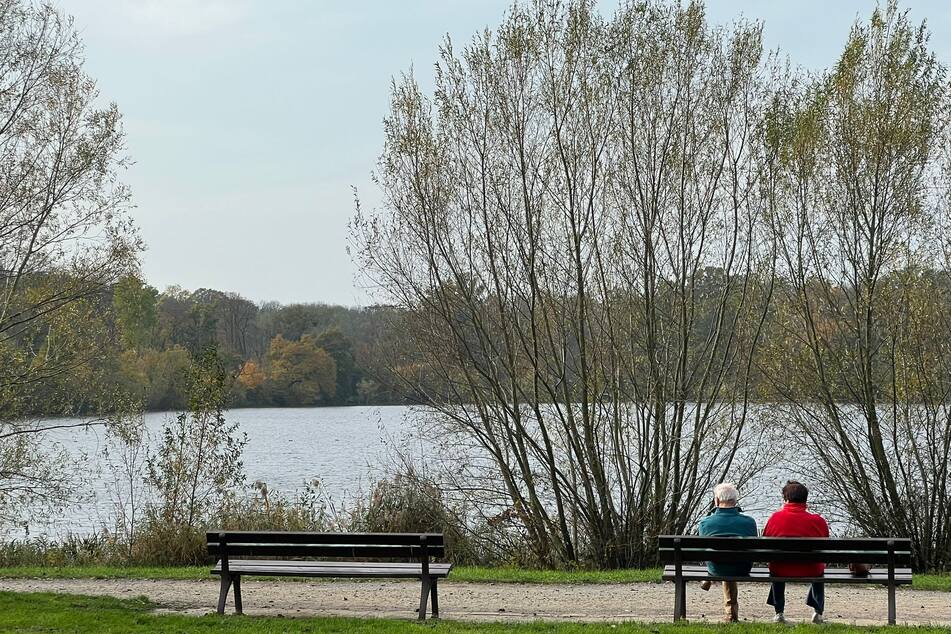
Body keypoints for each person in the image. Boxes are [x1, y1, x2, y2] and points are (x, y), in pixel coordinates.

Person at [764, 480, 829, 624]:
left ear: (786, 499)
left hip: (780, 569)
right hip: (810, 569)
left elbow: (766, 541)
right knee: (818, 566)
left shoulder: (775, 518)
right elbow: (825, 545)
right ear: (805, 499)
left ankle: (779, 612)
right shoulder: (818, 521)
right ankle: (818, 613)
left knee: (777, 563)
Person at [698, 482, 758, 622]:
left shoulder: (705, 522)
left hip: (716, 567)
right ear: (735, 501)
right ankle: (731, 614)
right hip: (742, 567)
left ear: (717, 501)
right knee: (730, 558)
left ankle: (709, 580)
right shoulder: (749, 522)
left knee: (721, 558)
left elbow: (704, 549)